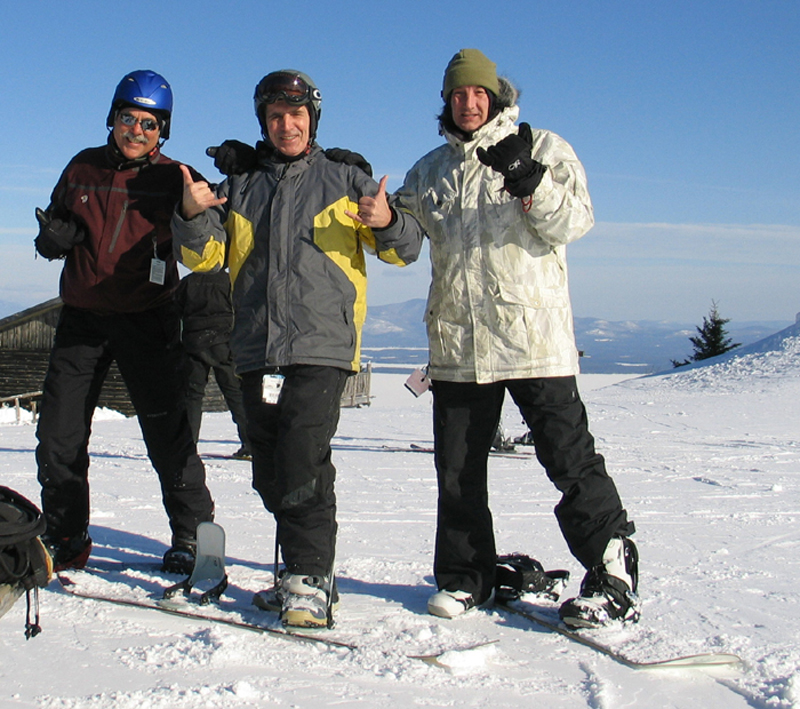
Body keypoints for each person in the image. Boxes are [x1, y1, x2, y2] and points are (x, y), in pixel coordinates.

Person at [392, 49, 639, 628]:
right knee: (457, 471)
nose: (468, 102)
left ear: (496, 95)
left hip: (534, 339)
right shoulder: (429, 171)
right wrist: (380, 217)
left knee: (568, 459)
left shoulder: (544, 146)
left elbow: (573, 223)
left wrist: (528, 179)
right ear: (447, 102)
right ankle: (465, 577)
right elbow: (403, 244)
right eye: (458, 94)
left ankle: (613, 574)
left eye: (478, 92)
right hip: (458, 344)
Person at [172, 69, 424, 628]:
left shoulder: (343, 177)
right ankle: (298, 574)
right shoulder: (241, 185)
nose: (287, 126)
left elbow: (405, 250)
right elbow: (201, 258)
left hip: (321, 347)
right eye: (275, 117)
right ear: (264, 121)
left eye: (297, 115)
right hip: (257, 350)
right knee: (270, 469)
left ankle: (310, 576)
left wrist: (387, 221)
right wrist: (191, 216)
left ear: (313, 118)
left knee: (304, 458)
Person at [34, 70, 215, 576]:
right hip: (83, 319)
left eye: (150, 124)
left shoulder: (176, 176)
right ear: (112, 118)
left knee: (167, 433)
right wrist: (53, 239)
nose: (137, 131)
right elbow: (55, 224)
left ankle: (192, 536)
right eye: (128, 118)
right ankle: (66, 534)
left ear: (164, 131)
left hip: (149, 319)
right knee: (58, 436)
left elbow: (215, 225)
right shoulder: (82, 166)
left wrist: (203, 201)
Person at [174, 270, 251, 459]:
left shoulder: (187, 282)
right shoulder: (229, 280)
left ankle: (188, 447)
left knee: (192, 396)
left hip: (194, 343)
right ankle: (250, 445)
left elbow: (176, 310)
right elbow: (242, 308)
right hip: (224, 343)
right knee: (235, 394)